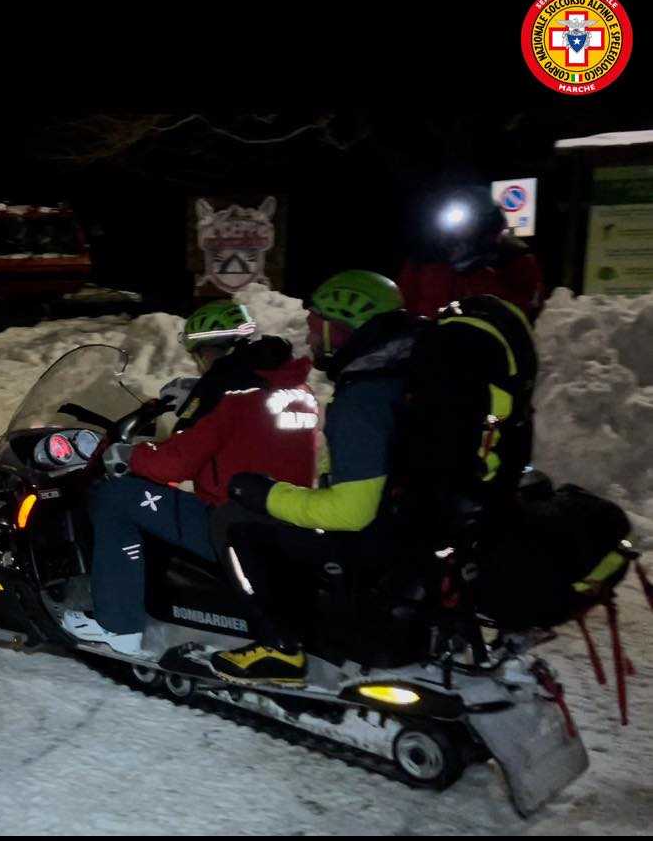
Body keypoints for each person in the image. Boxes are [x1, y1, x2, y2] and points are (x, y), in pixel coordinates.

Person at [62, 300, 319, 655]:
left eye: (199, 355)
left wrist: (130, 454)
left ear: (209, 350)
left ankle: (119, 625)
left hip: (232, 525)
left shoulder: (227, 392)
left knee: (115, 498)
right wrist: (197, 396)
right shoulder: (295, 388)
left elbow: (175, 464)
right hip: (286, 519)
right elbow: (249, 436)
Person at [206, 271, 423, 683]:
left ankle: (279, 647)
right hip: (404, 534)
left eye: (315, 323)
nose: (309, 334)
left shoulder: (363, 400)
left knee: (233, 518)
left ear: (341, 326)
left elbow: (351, 512)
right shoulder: (399, 374)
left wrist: (266, 494)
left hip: (370, 546)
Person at [397, 186, 545, 324]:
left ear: (486, 223)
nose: (460, 229)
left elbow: (522, 310)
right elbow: (403, 300)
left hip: (483, 341)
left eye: (469, 221)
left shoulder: (512, 257)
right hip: (428, 339)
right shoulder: (428, 254)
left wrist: (478, 273)